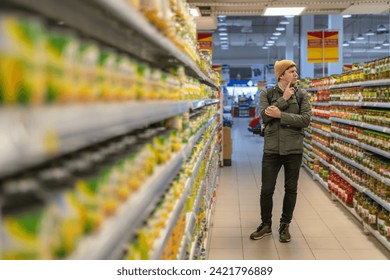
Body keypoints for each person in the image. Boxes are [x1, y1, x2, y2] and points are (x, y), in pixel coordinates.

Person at [250, 60, 311, 243]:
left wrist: (281, 115)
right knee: (266, 189)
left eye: (295, 71)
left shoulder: (302, 94)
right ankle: (266, 225)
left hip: (293, 149)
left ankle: (285, 225)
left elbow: (306, 119)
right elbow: (264, 117)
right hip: (272, 149)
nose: (296, 74)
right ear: (281, 74)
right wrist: (283, 100)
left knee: (290, 189)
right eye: (291, 71)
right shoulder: (267, 93)